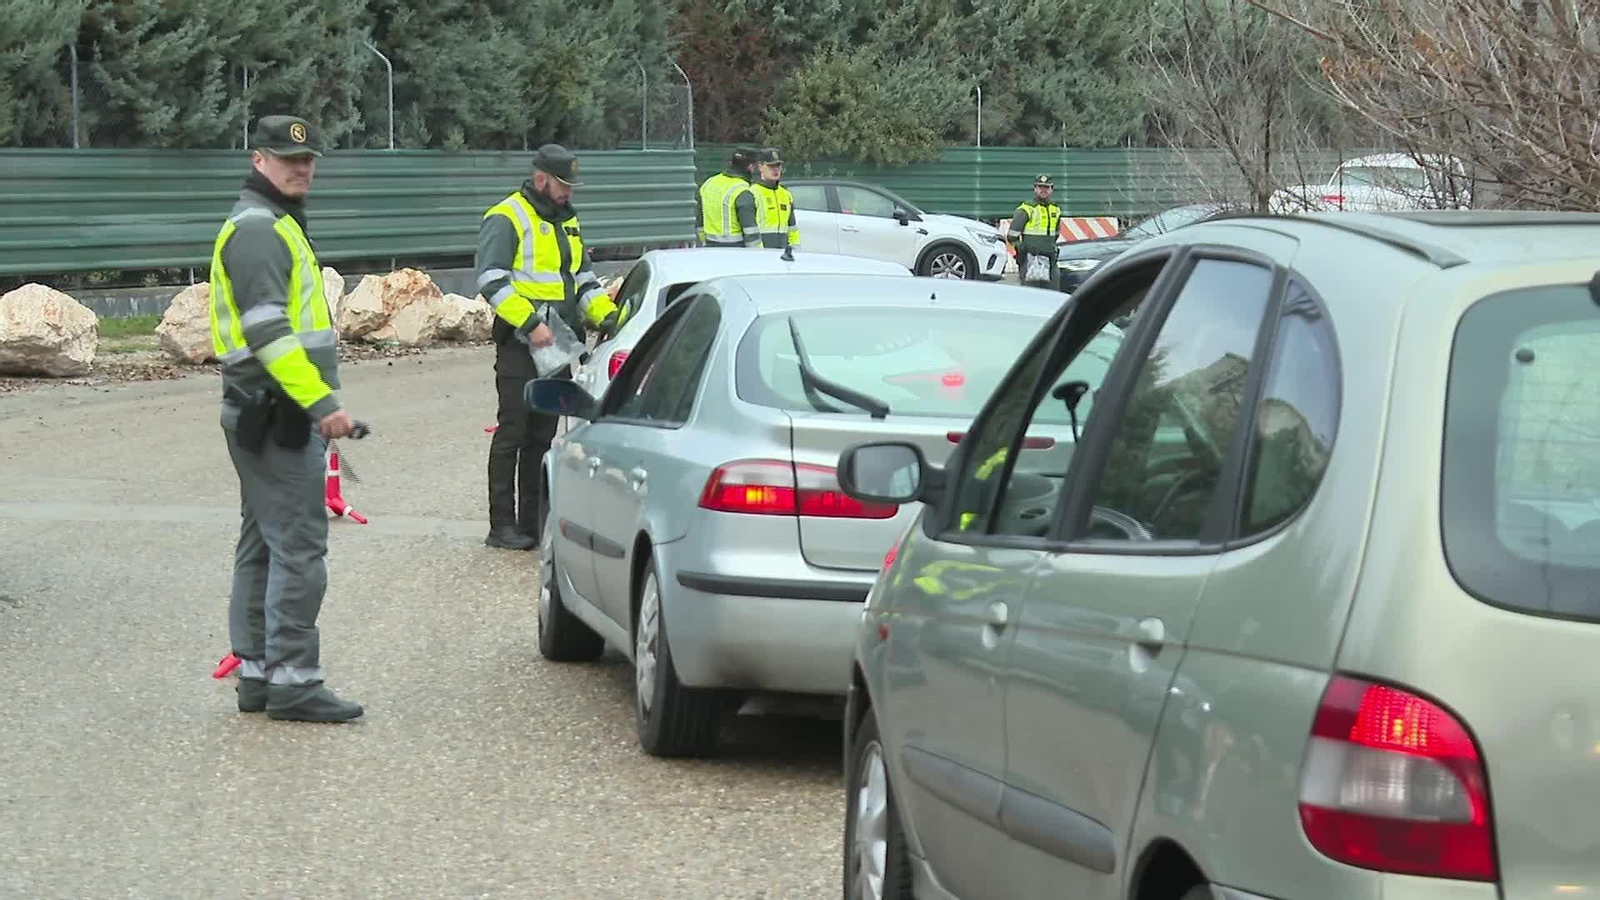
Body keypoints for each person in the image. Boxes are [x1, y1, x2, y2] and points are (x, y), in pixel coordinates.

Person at [209, 114, 363, 722]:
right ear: (258, 160)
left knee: (263, 545)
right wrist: (323, 403)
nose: (301, 168)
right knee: (297, 549)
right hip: (278, 416)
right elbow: (268, 331)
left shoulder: (274, 223)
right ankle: (294, 685)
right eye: (286, 158)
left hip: (264, 413)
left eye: (307, 159)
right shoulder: (259, 231)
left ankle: (257, 676)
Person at [475, 143, 625, 550]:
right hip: (523, 343)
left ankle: (533, 521)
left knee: (541, 435)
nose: (569, 193)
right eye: (563, 185)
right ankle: (501, 525)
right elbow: (491, 280)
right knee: (513, 432)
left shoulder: (567, 221)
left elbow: (583, 282)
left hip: (559, 341)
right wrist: (530, 322)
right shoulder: (506, 216)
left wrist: (607, 317)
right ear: (541, 179)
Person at [695, 146, 762, 248]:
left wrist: (706, 243)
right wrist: (758, 256)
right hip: (735, 251)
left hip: (709, 247)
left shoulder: (708, 183)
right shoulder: (742, 191)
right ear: (751, 167)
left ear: (731, 163)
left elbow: (699, 224)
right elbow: (751, 234)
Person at [1008, 175, 1063, 288]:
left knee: (1052, 294)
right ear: (1035, 189)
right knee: (1031, 296)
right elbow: (1012, 235)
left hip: (1050, 260)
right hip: (1030, 260)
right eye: (1040, 187)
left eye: (1046, 188)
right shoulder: (1026, 209)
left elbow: (1056, 234)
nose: (1043, 190)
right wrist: (1021, 249)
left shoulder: (1055, 209)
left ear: (1051, 189)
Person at [750, 147, 800, 250]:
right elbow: (749, 229)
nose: (776, 169)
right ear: (760, 167)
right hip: (762, 254)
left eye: (778, 165)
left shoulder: (786, 194)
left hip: (783, 253)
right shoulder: (752, 193)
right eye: (771, 166)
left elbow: (792, 228)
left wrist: (796, 250)